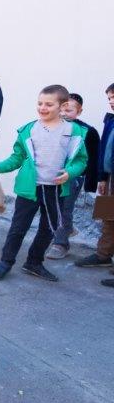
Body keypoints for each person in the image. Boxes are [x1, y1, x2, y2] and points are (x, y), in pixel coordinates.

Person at [0, 85, 88, 282]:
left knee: (49, 228)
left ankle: (34, 262)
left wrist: (69, 173)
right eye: (40, 103)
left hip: (56, 190)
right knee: (18, 228)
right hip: (30, 188)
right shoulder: (29, 129)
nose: (42, 108)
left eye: (49, 104)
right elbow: (17, 158)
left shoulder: (74, 130)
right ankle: (5, 262)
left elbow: (81, 160)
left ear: (63, 106)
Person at [46, 93, 101, 259]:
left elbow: (93, 158)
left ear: (79, 111)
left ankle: (61, 244)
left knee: (65, 208)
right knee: (52, 207)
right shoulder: (51, 125)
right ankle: (67, 229)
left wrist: (91, 183)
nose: (64, 113)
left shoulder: (88, 132)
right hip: (50, 174)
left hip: (73, 177)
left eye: (69, 110)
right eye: (62, 109)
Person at [75, 84, 114, 288]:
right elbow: (105, 151)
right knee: (108, 217)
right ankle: (103, 254)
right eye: (109, 98)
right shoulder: (111, 120)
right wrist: (102, 177)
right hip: (110, 179)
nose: (111, 101)